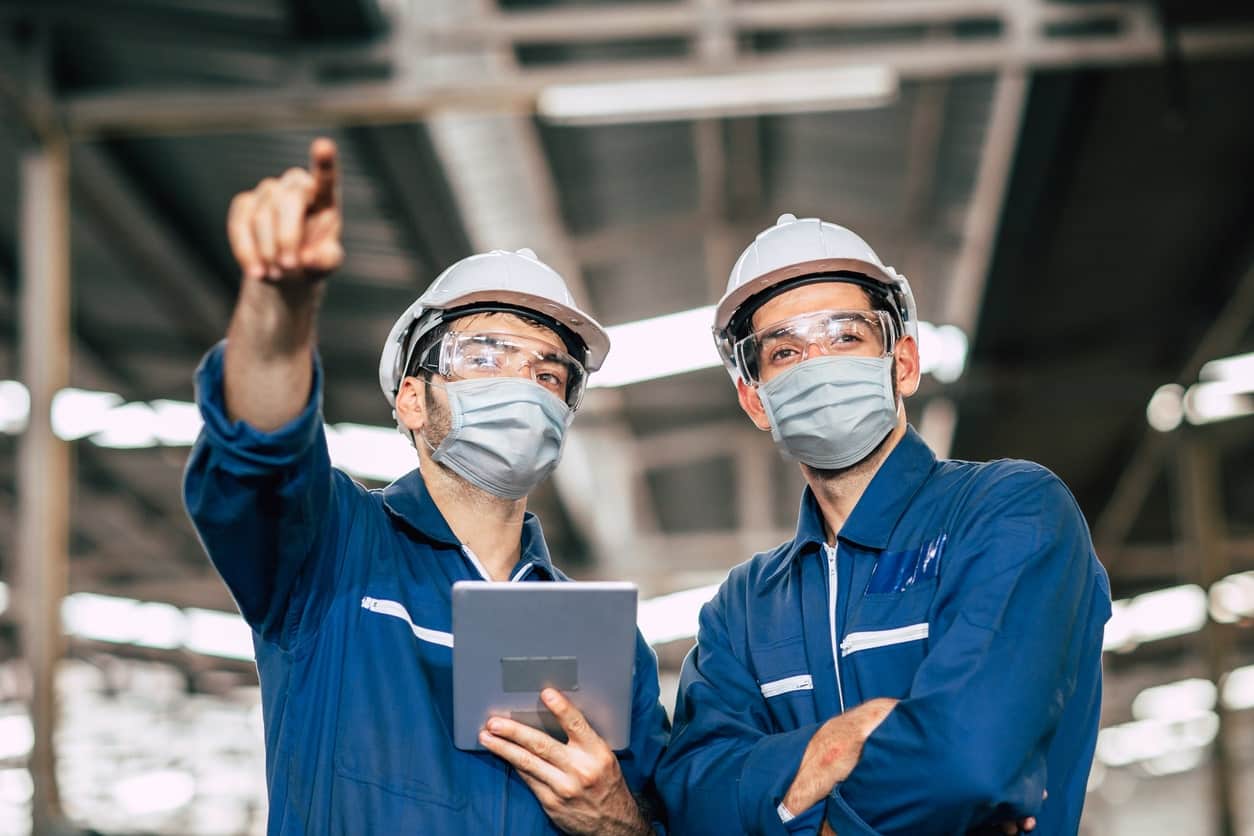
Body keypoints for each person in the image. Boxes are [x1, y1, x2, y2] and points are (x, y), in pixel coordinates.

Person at [183, 138, 668, 835]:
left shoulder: (611, 647)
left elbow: (667, 818)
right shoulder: (331, 552)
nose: (520, 386)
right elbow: (258, 452)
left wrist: (618, 819)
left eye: (548, 373)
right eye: (485, 356)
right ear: (411, 399)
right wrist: (278, 309)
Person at [654, 214, 1111, 835]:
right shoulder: (743, 608)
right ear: (755, 399)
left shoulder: (1010, 510)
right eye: (784, 351)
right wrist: (831, 748)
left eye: (845, 336)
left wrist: (791, 808)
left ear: (904, 363)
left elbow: (969, 760)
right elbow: (690, 801)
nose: (816, 364)